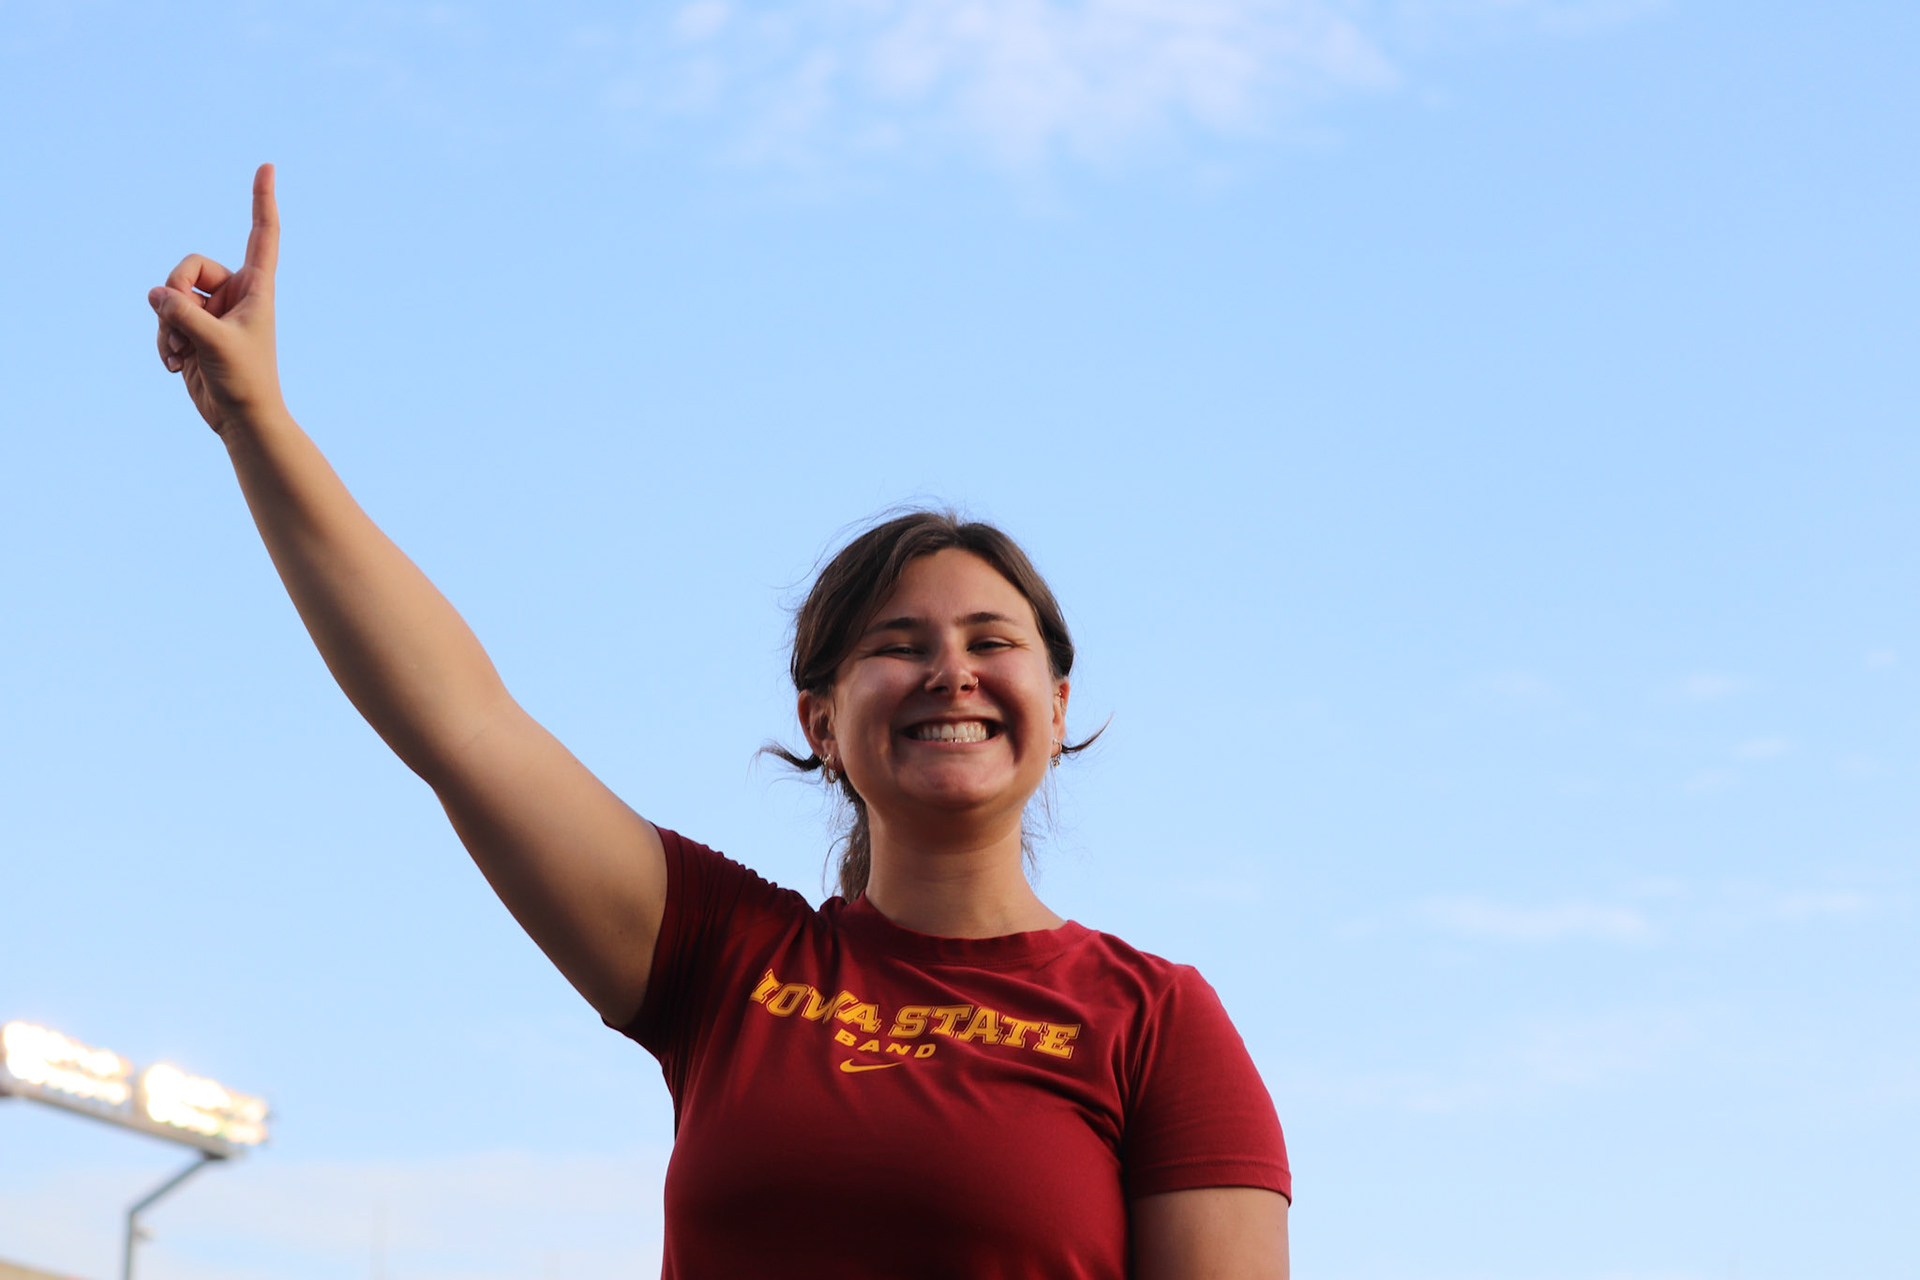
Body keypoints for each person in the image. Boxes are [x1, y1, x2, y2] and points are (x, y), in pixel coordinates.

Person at [148, 164, 1291, 1278]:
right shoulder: (728, 958)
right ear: (821, 720)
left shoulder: (1157, 1022)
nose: (952, 671)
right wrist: (256, 419)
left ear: (1057, 704)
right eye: (899, 645)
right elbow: (461, 722)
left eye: (992, 641)